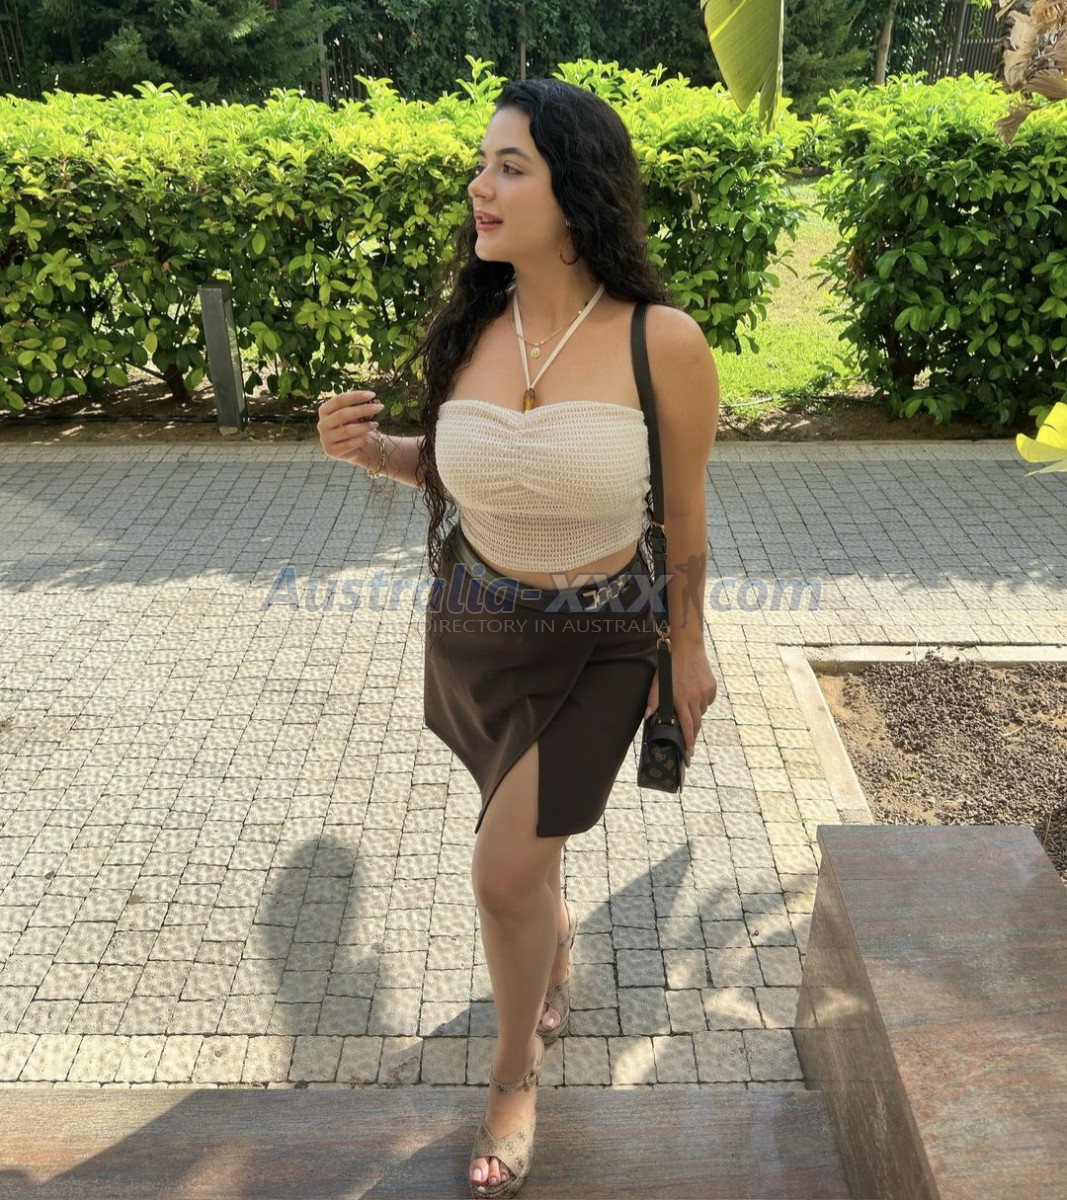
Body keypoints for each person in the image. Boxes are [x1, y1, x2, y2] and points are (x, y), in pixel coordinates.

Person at [317, 78, 719, 1198]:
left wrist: (687, 650)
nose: (478, 186)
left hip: (604, 644)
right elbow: (463, 470)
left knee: (500, 873)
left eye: (510, 166)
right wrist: (371, 451)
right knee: (525, 851)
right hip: (478, 632)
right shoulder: (471, 329)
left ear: (575, 190)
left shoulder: (660, 342)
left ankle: (511, 1080)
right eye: (480, 163)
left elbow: (684, 519)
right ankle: (554, 935)